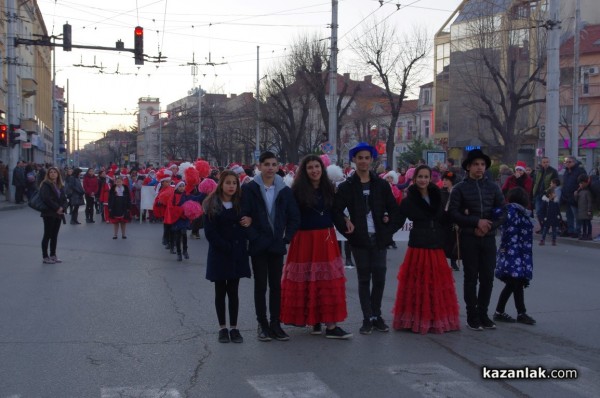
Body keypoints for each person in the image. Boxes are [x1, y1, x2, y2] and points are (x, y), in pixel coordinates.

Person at [280, 155, 352, 339]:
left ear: (322, 169)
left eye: (317, 167)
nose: (314, 170)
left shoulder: (329, 188)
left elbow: (334, 212)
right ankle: (315, 321)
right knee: (308, 280)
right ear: (305, 171)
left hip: (325, 238)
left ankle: (330, 325)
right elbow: (291, 216)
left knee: (326, 280)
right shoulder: (296, 191)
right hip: (304, 239)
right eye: (310, 167)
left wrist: (345, 222)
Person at [332, 142, 401, 335]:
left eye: (367, 158)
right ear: (354, 160)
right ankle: (367, 317)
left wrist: (388, 230)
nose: (363, 161)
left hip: (379, 238)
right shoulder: (347, 186)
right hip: (359, 239)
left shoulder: (381, 185)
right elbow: (336, 211)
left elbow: (394, 210)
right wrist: (346, 225)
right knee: (364, 279)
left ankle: (377, 315)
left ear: (372, 160)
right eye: (359, 158)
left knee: (379, 277)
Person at [391, 165, 460, 334]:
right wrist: (384, 233)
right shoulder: (409, 200)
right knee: (418, 284)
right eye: (420, 176)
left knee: (436, 283)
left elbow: (445, 218)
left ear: (430, 179)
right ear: (414, 179)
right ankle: (415, 319)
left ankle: (436, 318)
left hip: (436, 245)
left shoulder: (438, 196)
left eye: (426, 177)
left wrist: (459, 218)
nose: (423, 179)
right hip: (418, 246)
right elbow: (398, 220)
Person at [241, 151, 300, 342]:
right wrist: (254, 237)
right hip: (258, 244)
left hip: (276, 244)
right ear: (259, 166)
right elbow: (244, 215)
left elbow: (294, 216)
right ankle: (262, 324)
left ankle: (276, 323)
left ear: (278, 167)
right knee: (261, 286)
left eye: (274, 164)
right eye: (266, 164)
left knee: (276, 286)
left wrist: (286, 238)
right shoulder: (250, 189)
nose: (270, 168)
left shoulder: (284, 189)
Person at [448, 149, 506, 331]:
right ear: (468, 167)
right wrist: (475, 222)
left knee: (488, 277)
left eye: (482, 164)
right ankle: (472, 315)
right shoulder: (460, 188)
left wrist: (489, 225)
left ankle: (483, 314)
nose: (479, 167)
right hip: (469, 237)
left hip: (488, 237)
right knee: (471, 277)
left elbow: (502, 211)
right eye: (476, 164)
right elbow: (453, 213)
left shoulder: (493, 187)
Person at [203, 171, 251, 343]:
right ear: (221, 184)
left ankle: (234, 328)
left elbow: (246, 224)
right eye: (228, 183)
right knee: (220, 292)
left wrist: (249, 221)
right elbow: (210, 232)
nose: (231, 186)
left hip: (237, 254)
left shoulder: (241, 203)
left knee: (234, 292)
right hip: (220, 254)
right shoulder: (212, 204)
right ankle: (222, 328)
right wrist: (225, 246)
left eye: (234, 183)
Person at [493, 187, 536, 325]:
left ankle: (521, 312)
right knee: (513, 283)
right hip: (513, 252)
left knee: (518, 283)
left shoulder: (522, 212)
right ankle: (499, 312)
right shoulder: (512, 211)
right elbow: (495, 215)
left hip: (519, 252)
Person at [39, 167, 68, 264]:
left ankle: (53, 255)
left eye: (54, 172)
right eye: (50, 172)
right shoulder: (45, 184)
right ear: (48, 174)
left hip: (58, 214)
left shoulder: (60, 185)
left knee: (54, 235)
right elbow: (46, 199)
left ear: (58, 174)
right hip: (49, 213)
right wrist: (57, 208)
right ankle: (45, 256)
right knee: (47, 235)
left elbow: (64, 199)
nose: (52, 174)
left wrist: (63, 208)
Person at [561, 156, 586, 238]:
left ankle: (577, 231)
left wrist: (577, 191)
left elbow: (583, 183)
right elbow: (565, 183)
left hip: (575, 196)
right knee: (569, 215)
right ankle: (570, 230)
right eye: (566, 162)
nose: (567, 163)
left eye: (570, 162)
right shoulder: (566, 171)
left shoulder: (579, 170)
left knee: (576, 215)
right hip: (567, 196)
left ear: (574, 162)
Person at [440, 170, 460, 271]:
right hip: (443, 220)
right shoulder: (440, 192)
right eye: (443, 180)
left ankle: (453, 261)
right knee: (443, 241)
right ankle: (442, 262)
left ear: (452, 181)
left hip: (453, 220)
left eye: (447, 180)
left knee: (454, 242)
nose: (444, 182)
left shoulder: (456, 192)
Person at [532, 157, 558, 232]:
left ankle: (545, 227)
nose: (546, 163)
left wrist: (550, 192)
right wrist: (533, 192)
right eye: (544, 162)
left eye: (547, 162)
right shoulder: (538, 171)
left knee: (544, 212)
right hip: (538, 194)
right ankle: (543, 227)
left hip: (547, 195)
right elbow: (535, 182)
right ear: (541, 163)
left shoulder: (553, 171)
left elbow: (555, 184)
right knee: (538, 212)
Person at [574, 174, 594, 240]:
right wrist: (576, 195)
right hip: (582, 211)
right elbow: (576, 201)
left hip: (586, 211)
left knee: (588, 223)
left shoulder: (587, 192)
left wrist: (589, 210)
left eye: (581, 183)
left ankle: (589, 234)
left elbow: (589, 202)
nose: (580, 185)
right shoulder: (580, 192)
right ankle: (584, 234)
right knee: (584, 224)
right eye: (579, 184)